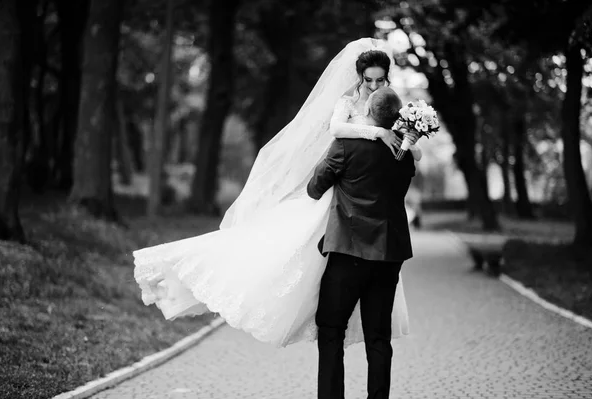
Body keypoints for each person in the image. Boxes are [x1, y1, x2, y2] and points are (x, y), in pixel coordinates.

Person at [133, 38, 420, 348]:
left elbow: (410, 158)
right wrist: (377, 131)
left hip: (360, 214)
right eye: (369, 80)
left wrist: (409, 139)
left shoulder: (392, 110)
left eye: (380, 80)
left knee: (333, 297)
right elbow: (338, 130)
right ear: (360, 77)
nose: (375, 86)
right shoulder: (348, 105)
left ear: (387, 79)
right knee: (290, 255)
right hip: (342, 205)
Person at [308, 87, 415, 399]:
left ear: (368, 108)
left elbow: (315, 187)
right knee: (379, 338)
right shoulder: (404, 153)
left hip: (348, 251)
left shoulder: (346, 144)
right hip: (388, 254)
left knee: (331, 332)